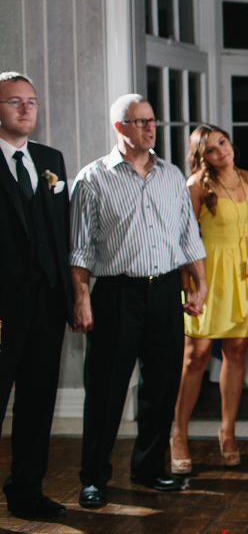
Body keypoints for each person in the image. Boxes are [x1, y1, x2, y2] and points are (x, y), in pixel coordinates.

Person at [70, 94, 207, 508]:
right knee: (106, 390)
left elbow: (188, 237)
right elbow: (79, 249)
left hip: (166, 291)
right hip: (116, 293)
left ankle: (149, 469)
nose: (150, 128)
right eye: (140, 121)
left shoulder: (171, 176)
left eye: (152, 121)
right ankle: (94, 477)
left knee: (162, 385)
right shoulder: (92, 178)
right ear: (119, 128)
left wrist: (198, 285)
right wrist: (81, 299)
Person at [169, 125, 248, 473]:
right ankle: (179, 433)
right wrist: (189, 283)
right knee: (195, 355)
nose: (220, 152)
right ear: (202, 157)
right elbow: (184, 237)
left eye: (222, 143)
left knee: (237, 352)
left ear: (231, 143)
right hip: (207, 275)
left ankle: (227, 432)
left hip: (245, 277)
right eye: (210, 149)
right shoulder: (197, 186)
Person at [0, 72, 73, 519]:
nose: (27, 110)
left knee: (37, 403)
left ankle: (26, 492)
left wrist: (71, 298)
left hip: (47, 305)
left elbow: (59, 234)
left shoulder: (50, 159)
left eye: (32, 102)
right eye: (14, 102)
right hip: (2, 310)